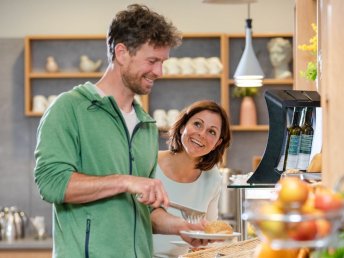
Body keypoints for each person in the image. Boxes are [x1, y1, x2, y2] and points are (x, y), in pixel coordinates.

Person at [34, 4, 206, 258]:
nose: (159, 71)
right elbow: (51, 183)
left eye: (162, 62)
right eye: (152, 60)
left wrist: (181, 227)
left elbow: (144, 210)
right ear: (122, 52)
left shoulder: (146, 125)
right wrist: (125, 181)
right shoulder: (70, 108)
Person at [152, 100, 232, 257]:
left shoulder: (213, 177)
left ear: (217, 143)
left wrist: (202, 246)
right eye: (197, 124)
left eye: (212, 132)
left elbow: (209, 231)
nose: (201, 134)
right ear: (182, 126)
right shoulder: (149, 162)